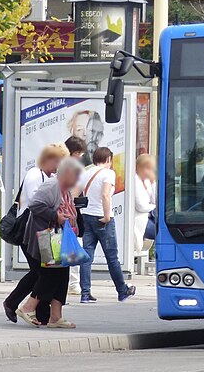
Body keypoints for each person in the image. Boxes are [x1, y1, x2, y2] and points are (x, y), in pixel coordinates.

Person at [3, 143, 69, 324]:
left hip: (44, 232)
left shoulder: (48, 176)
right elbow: (36, 203)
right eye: (59, 162)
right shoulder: (34, 175)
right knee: (45, 273)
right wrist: (56, 212)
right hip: (31, 232)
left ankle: (34, 310)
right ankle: (21, 306)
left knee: (42, 272)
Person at [16, 157, 85, 329]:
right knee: (51, 275)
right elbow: (36, 205)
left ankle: (56, 317)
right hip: (46, 238)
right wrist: (57, 217)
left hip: (61, 238)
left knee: (62, 275)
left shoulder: (64, 188)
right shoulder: (51, 186)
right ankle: (27, 307)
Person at [78, 147, 136, 302]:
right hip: (102, 218)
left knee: (86, 257)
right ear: (109, 159)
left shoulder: (85, 172)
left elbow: (76, 192)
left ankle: (85, 293)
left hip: (87, 216)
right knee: (112, 257)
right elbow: (105, 195)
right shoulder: (108, 173)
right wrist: (106, 216)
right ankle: (122, 290)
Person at [64, 136, 86, 295]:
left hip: (64, 212)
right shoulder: (75, 168)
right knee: (73, 246)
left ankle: (70, 282)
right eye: (79, 153)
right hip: (71, 213)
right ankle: (73, 283)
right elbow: (75, 190)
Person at [133, 153, 157, 257]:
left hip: (148, 216)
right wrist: (154, 207)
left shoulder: (146, 182)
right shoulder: (134, 181)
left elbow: (155, 200)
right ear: (140, 167)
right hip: (139, 219)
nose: (150, 172)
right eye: (148, 168)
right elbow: (141, 206)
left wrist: (153, 182)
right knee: (160, 231)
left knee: (165, 225)